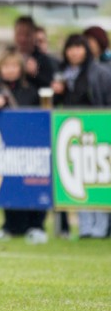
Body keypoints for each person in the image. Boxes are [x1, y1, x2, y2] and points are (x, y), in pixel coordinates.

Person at [0, 47, 47, 244]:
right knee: (10, 188)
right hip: (5, 151)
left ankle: (36, 226)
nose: (10, 70)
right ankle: (10, 227)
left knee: (32, 185)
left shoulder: (30, 89)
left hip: (29, 149)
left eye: (14, 66)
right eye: (6, 66)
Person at [52, 34, 111, 239]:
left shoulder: (99, 73)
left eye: (79, 47)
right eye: (71, 48)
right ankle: (85, 227)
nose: (75, 52)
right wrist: (57, 93)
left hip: (96, 133)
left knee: (98, 182)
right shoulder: (63, 75)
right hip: (74, 134)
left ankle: (100, 228)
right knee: (78, 180)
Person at [13, 16, 54, 89]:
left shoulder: (43, 59)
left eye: (27, 35)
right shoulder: (8, 55)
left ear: (33, 35)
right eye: (19, 34)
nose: (23, 39)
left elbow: (50, 85)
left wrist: (35, 74)